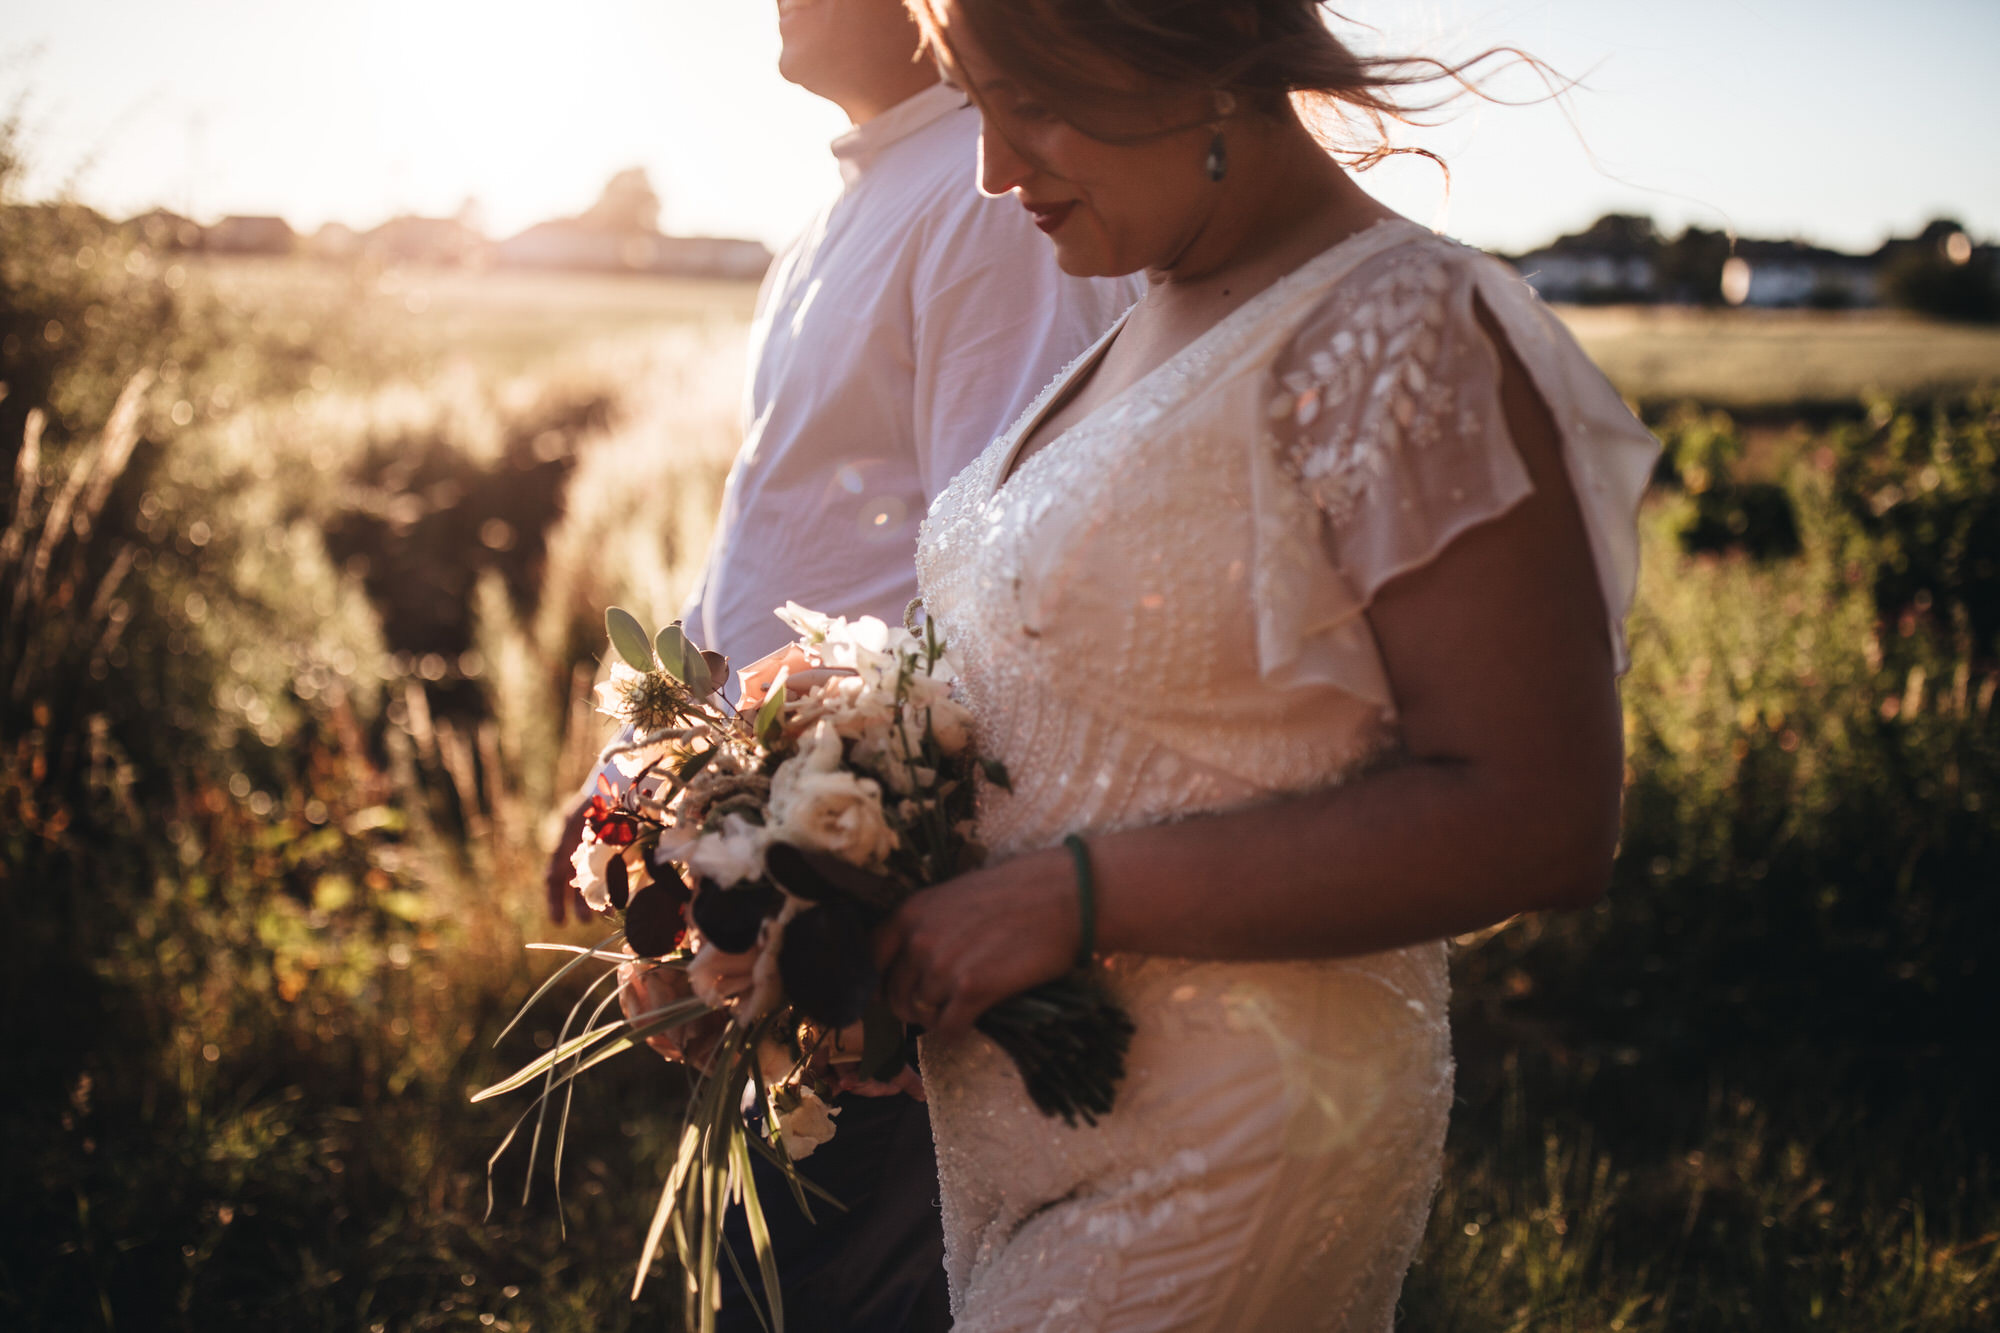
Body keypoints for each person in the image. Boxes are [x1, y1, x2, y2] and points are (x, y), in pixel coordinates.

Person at [871, 2, 1661, 1329]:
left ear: (1197, 47)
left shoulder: (1405, 327)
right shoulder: (1140, 309)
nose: (995, 170)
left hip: (1236, 1143)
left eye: (1034, 101)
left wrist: (1068, 898)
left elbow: (1541, 811)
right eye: (974, 106)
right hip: (1032, 1137)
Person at [547, 2, 1140, 1329]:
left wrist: (835, 910)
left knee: (843, 1288)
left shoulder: (997, 213)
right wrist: (638, 785)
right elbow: (771, 541)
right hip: (769, 867)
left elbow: (1000, 589)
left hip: (875, 929)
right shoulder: (840, 213)